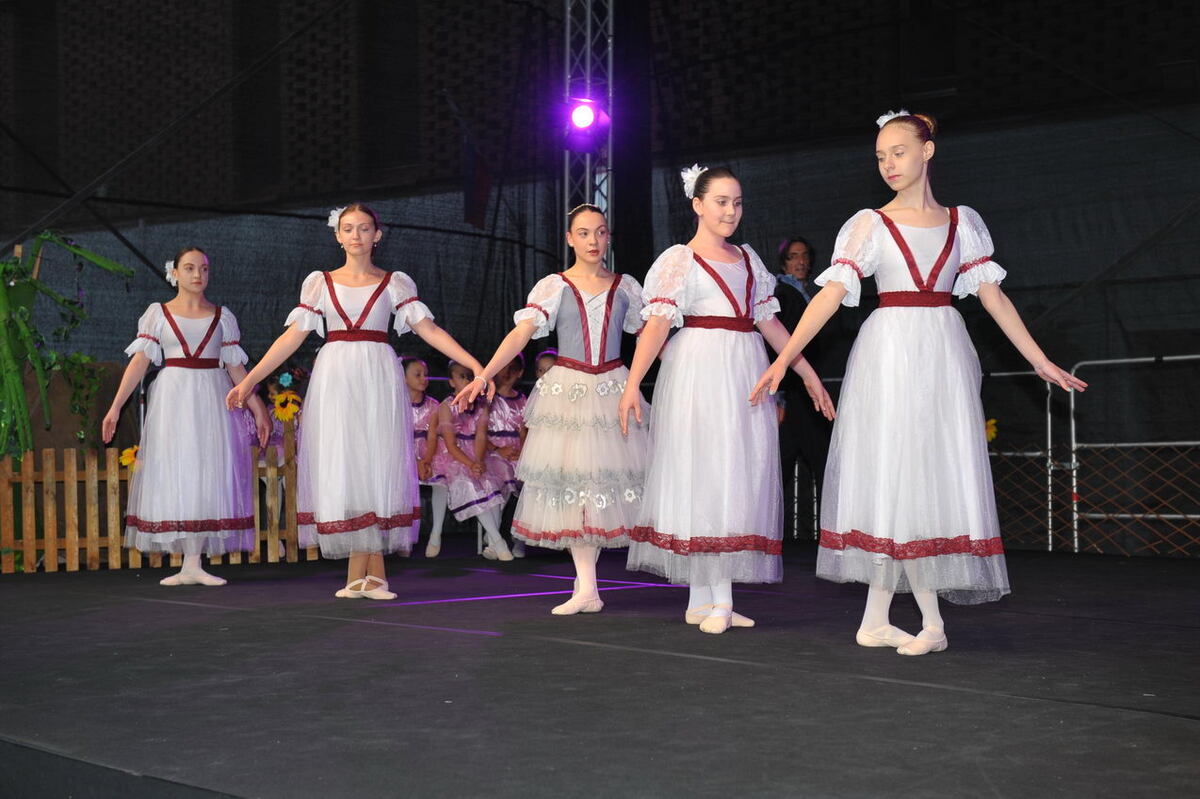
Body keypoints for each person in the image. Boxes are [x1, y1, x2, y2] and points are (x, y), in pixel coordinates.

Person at [750, 111, 1087, 654]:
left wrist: (1039, 359)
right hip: (890, 353)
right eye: (880, 156)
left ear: (927, 151)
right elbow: (830, 296)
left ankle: (879, 620)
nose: (888, 164)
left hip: (943, 354)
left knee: (928, 474)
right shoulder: (870, 224)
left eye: (899, 152)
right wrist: (784, 358)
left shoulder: (962, 222)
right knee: (898, 473)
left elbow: (994, 297)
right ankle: (929, 624)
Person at [226, 203, 490, 599]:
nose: (356, 235)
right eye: (348, 228)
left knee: (375, 463)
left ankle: (374, 576)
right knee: (345, 465)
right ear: (337, 235)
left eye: (364, 228)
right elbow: (291, 337)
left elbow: (429, 329)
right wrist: (250, 381)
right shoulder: (320, 283)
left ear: (376, 235)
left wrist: (474, 365)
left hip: (377, 378)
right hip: (336, 379)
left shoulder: (394, 283)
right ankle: (358, 575)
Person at [618, 167, 835, 634]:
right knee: (707, 473)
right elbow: (656, 327)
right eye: (720, 202)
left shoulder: (749, 260)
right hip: (700, 370)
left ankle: (707, 600)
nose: (731, 211)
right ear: (697, 205)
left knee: (737, 471)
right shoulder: (679, 260)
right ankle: (716, 600)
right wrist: (633, 383)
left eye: (737, 202)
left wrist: (807, 374)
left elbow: (770, 325)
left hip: (743, 370)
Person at [455, 204, 651, 614]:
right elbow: (521, 333)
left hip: (614, 388)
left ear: (608, 236)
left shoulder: (627, 288)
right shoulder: (555, 287)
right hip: (570, 392)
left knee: (603, 488)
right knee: (575, 485)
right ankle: (587, 585)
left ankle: (587, 584)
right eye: (584, 233)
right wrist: (485, 374)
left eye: (600, 232)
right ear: (570, 238)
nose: (593, 241)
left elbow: (653, 336)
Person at [102, 247, 271, 586]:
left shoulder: (222, 316)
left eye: (204, 269)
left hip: (212, 398)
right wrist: (116, 406)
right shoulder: (158, 314)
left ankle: (194, 562)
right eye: (190, 268)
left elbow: (236, 368)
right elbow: (140, 361)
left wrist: (258, 409)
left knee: (207, 469)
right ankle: (187, 563)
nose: (198, 275)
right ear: (175, 273)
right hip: (173, 397)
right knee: (177, 467)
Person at [773, 236, 833, 540]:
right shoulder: (782, 294)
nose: (800, 261)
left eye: (804, 256)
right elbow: (775, 348)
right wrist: (779, 397)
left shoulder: (806, 294)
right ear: (784, 262)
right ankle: (768, 536)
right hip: (791, 395)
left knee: (821, 461)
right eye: (794, 256)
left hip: (806, 395)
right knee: (780, 466)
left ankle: (829, 534)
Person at [431, 361, 512, 560]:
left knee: (490, 483)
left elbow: (481, 436)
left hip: (476, 453)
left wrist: (479, 462)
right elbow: (451, 445)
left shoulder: (482, 405)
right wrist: (470, 464)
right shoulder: (446, 406)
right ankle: (498, 541)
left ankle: (492, 540)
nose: (467, 380)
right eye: (461, 377)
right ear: (451, 382)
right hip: (453, 456)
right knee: (468, 484)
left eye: (469, 376)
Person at [403, 357, 448, 558]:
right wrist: (413, 462)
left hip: (428, 452)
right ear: (403, 378)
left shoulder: (433, 405)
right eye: (417, 375)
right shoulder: (395, 404)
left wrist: (426, 460)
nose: (424, 379)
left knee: (442, 482)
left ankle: (435, 534)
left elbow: (432, 437)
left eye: (425, 375)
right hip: (403, 453)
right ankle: (404, 536)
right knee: (402, 482)